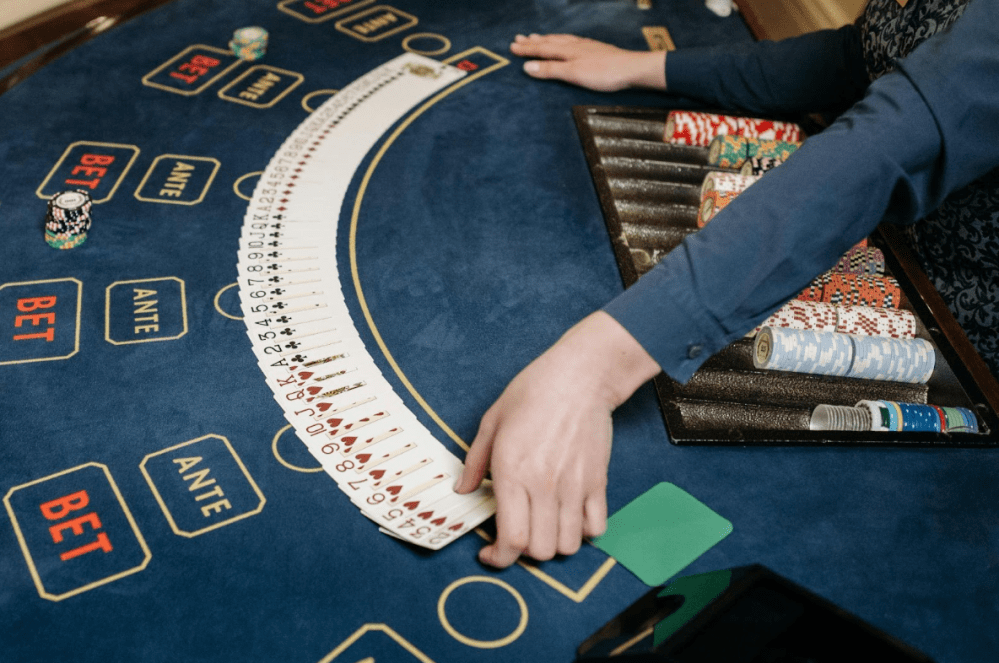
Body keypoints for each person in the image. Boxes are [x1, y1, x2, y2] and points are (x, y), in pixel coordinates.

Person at [454, 0, 999, 569]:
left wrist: (594, 366)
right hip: (883, 251)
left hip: (965, 354)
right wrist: (646, 67)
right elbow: (856, 59)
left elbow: (889, 146)